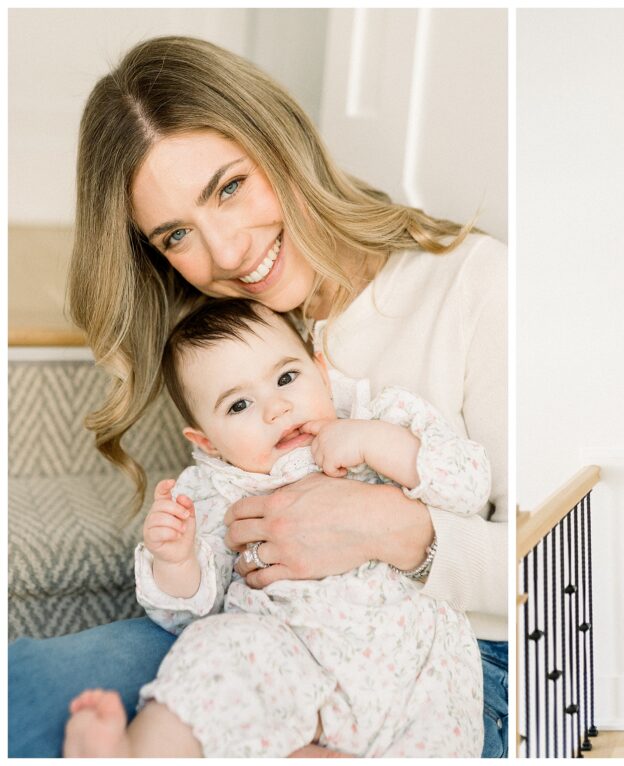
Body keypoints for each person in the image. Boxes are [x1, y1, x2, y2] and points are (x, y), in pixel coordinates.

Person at [8, 35, 507, 757]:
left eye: (229, 187)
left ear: (281, 139)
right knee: (26, 693)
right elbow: (212, 554)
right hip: (265, 638)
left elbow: (549, 564)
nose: (229, 255)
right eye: (178, 234)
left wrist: (395, 530)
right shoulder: (222, 331)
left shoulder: (472, 286)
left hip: (440, 660)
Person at [64, 298, 488, 757]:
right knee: (213, 655)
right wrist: (176, 559)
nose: (276, 408)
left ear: (321, 370)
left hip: (411, 664)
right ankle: (137, 753)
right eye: (239, 404)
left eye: (287, 378)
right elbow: (187, 614)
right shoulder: (217, 487)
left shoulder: (385, 417)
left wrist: (376, 442)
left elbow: (468, 483)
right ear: (207, 441)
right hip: (285, 662)